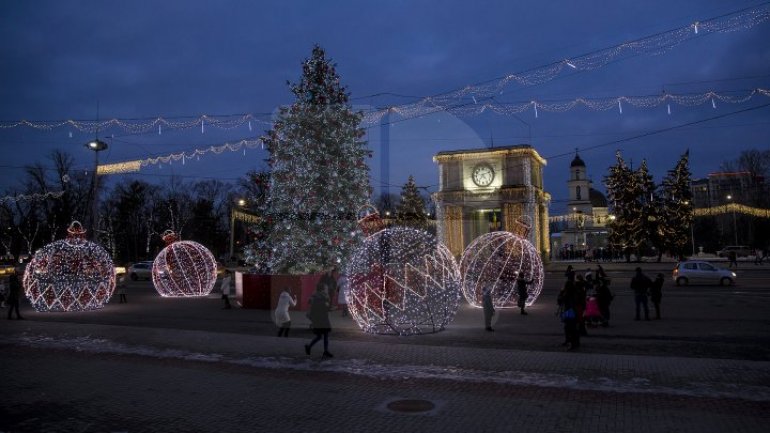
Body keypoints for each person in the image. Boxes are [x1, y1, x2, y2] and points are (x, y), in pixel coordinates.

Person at [305, 285, 333, 358]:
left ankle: (310, 347)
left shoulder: (314, 296)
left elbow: (309, 302)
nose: (326, 290)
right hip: (323, 318)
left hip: (317, 319)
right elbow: (326, 307)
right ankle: (325, 351)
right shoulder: (324, 297)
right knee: (325, 335)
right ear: (323, 289)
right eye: (325, 288)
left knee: (320, 336)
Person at [557, 279, 580, 350]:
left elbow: (560, 301)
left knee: (569, 328)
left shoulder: (567, 293)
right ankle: (573, 342)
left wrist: (561, 292)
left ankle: (572, 344)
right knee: (571, 328)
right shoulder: (575, 292)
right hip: (573, 311)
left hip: (569, 312)